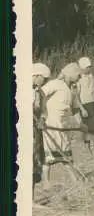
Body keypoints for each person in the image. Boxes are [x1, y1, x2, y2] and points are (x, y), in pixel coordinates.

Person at [41, 62, 86, 186]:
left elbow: (76, 109)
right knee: (48, 156)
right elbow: (39, 94)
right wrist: (42, 113)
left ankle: (75, 180)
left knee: (66, 154)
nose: (79, 78)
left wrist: (81, 124)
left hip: (63, 127)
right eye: (78, 75)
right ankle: (46, 182)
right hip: (50, 125)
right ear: (70, 74)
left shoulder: (72, 90)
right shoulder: (55, 84)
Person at [32, 63, 51, 208]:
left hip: (36, 132)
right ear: (36, 76)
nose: (44, 81)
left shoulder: (41, 92)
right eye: (43, 78)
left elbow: (44, 109)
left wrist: (42, 119)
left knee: (36, 160)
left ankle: (31, 199)